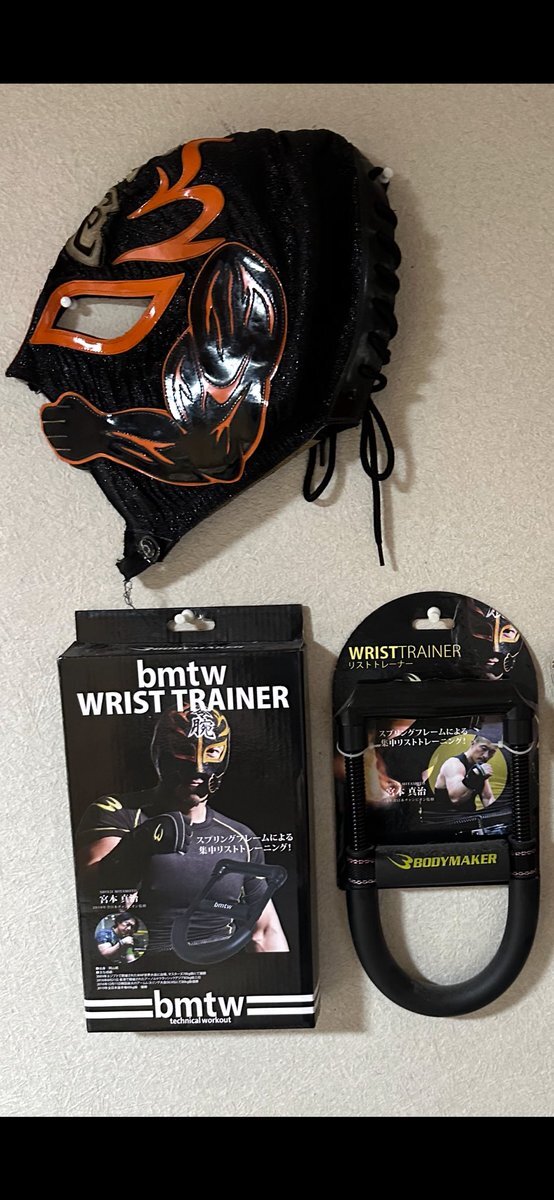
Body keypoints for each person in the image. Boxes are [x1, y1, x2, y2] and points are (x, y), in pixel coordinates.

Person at [78, 707, 288, 954]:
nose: (198, 768)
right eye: (184, 749)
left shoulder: (240, 838)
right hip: (145, 965)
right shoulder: (120, 812)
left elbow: (265, 931)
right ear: (161, 752)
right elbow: (91, 892)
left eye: (212, 751)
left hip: (222, 967)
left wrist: (279, 973)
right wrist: (136, 846)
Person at [432, 735, 499, 814]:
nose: (486, 756)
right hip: (446, 818)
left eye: (491, 752)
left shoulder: (480, 769)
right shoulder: (453, 764)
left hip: (469, 817)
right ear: (473, 743)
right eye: (483, 748)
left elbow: (487, 798)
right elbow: (456, 799)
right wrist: (474, 776)